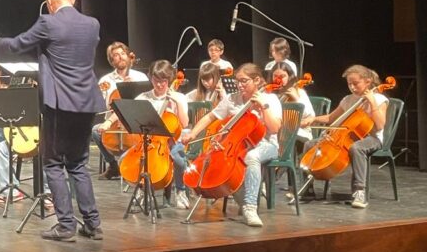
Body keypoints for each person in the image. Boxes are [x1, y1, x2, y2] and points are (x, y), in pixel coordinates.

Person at [0, 0, 105, 241]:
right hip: (87, 101)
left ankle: (66, 225)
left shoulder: (48, 22)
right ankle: (93, 224)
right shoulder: (92, 24)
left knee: (53, 162)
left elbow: (17, 45)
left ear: (49, 1)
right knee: (78, 163)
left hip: (61, 102)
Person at [181, 63, 281, 227]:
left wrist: (263, 107)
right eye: (237, 81)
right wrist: (193, 134)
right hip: (237, 145)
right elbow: (210, 117)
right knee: (228, 167)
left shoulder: (270, 99)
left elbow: (275, 128)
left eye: (244, 81)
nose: (239, 85)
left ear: (257, 80)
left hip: (266, 145)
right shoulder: (232, 99)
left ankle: (250, 207)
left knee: (252, 157)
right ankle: (242, 201)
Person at [303, 65, 388, 210]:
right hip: (348, 137)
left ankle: (359, 191)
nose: (352, 87)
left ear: (367, 82)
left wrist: (372, 102)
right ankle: (308, 188)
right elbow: (331, 118)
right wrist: (313, 119)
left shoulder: (380, 99)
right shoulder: (348, 99)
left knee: (357, 148)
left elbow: (380, 126)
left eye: (356, 83)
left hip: (372, 138)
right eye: (349, 84)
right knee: (309, 144)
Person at [132, 60, 190, 209]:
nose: (159, 85)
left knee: (179, 160)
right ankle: (141, 189)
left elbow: (184, 124)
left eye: (163, 81)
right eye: (156, 80)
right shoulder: (143, 97)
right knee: (128, 160)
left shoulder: (179, 97)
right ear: (150, 78)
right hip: (150, 141)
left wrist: (176, 103)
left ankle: (181, 191)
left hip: (173, 140)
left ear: (169, 80)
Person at [93, 42, 147, 178]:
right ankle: (113, 166)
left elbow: (147, 102)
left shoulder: (141, 77)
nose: (121, 57)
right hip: (113, 123)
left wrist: (131, 89)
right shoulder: (106, 80)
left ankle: (135, 164)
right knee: (95, 131)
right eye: (116, 55)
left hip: (136, 122)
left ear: (128, 56)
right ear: (112, 61)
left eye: (123, 54)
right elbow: (101, 104)